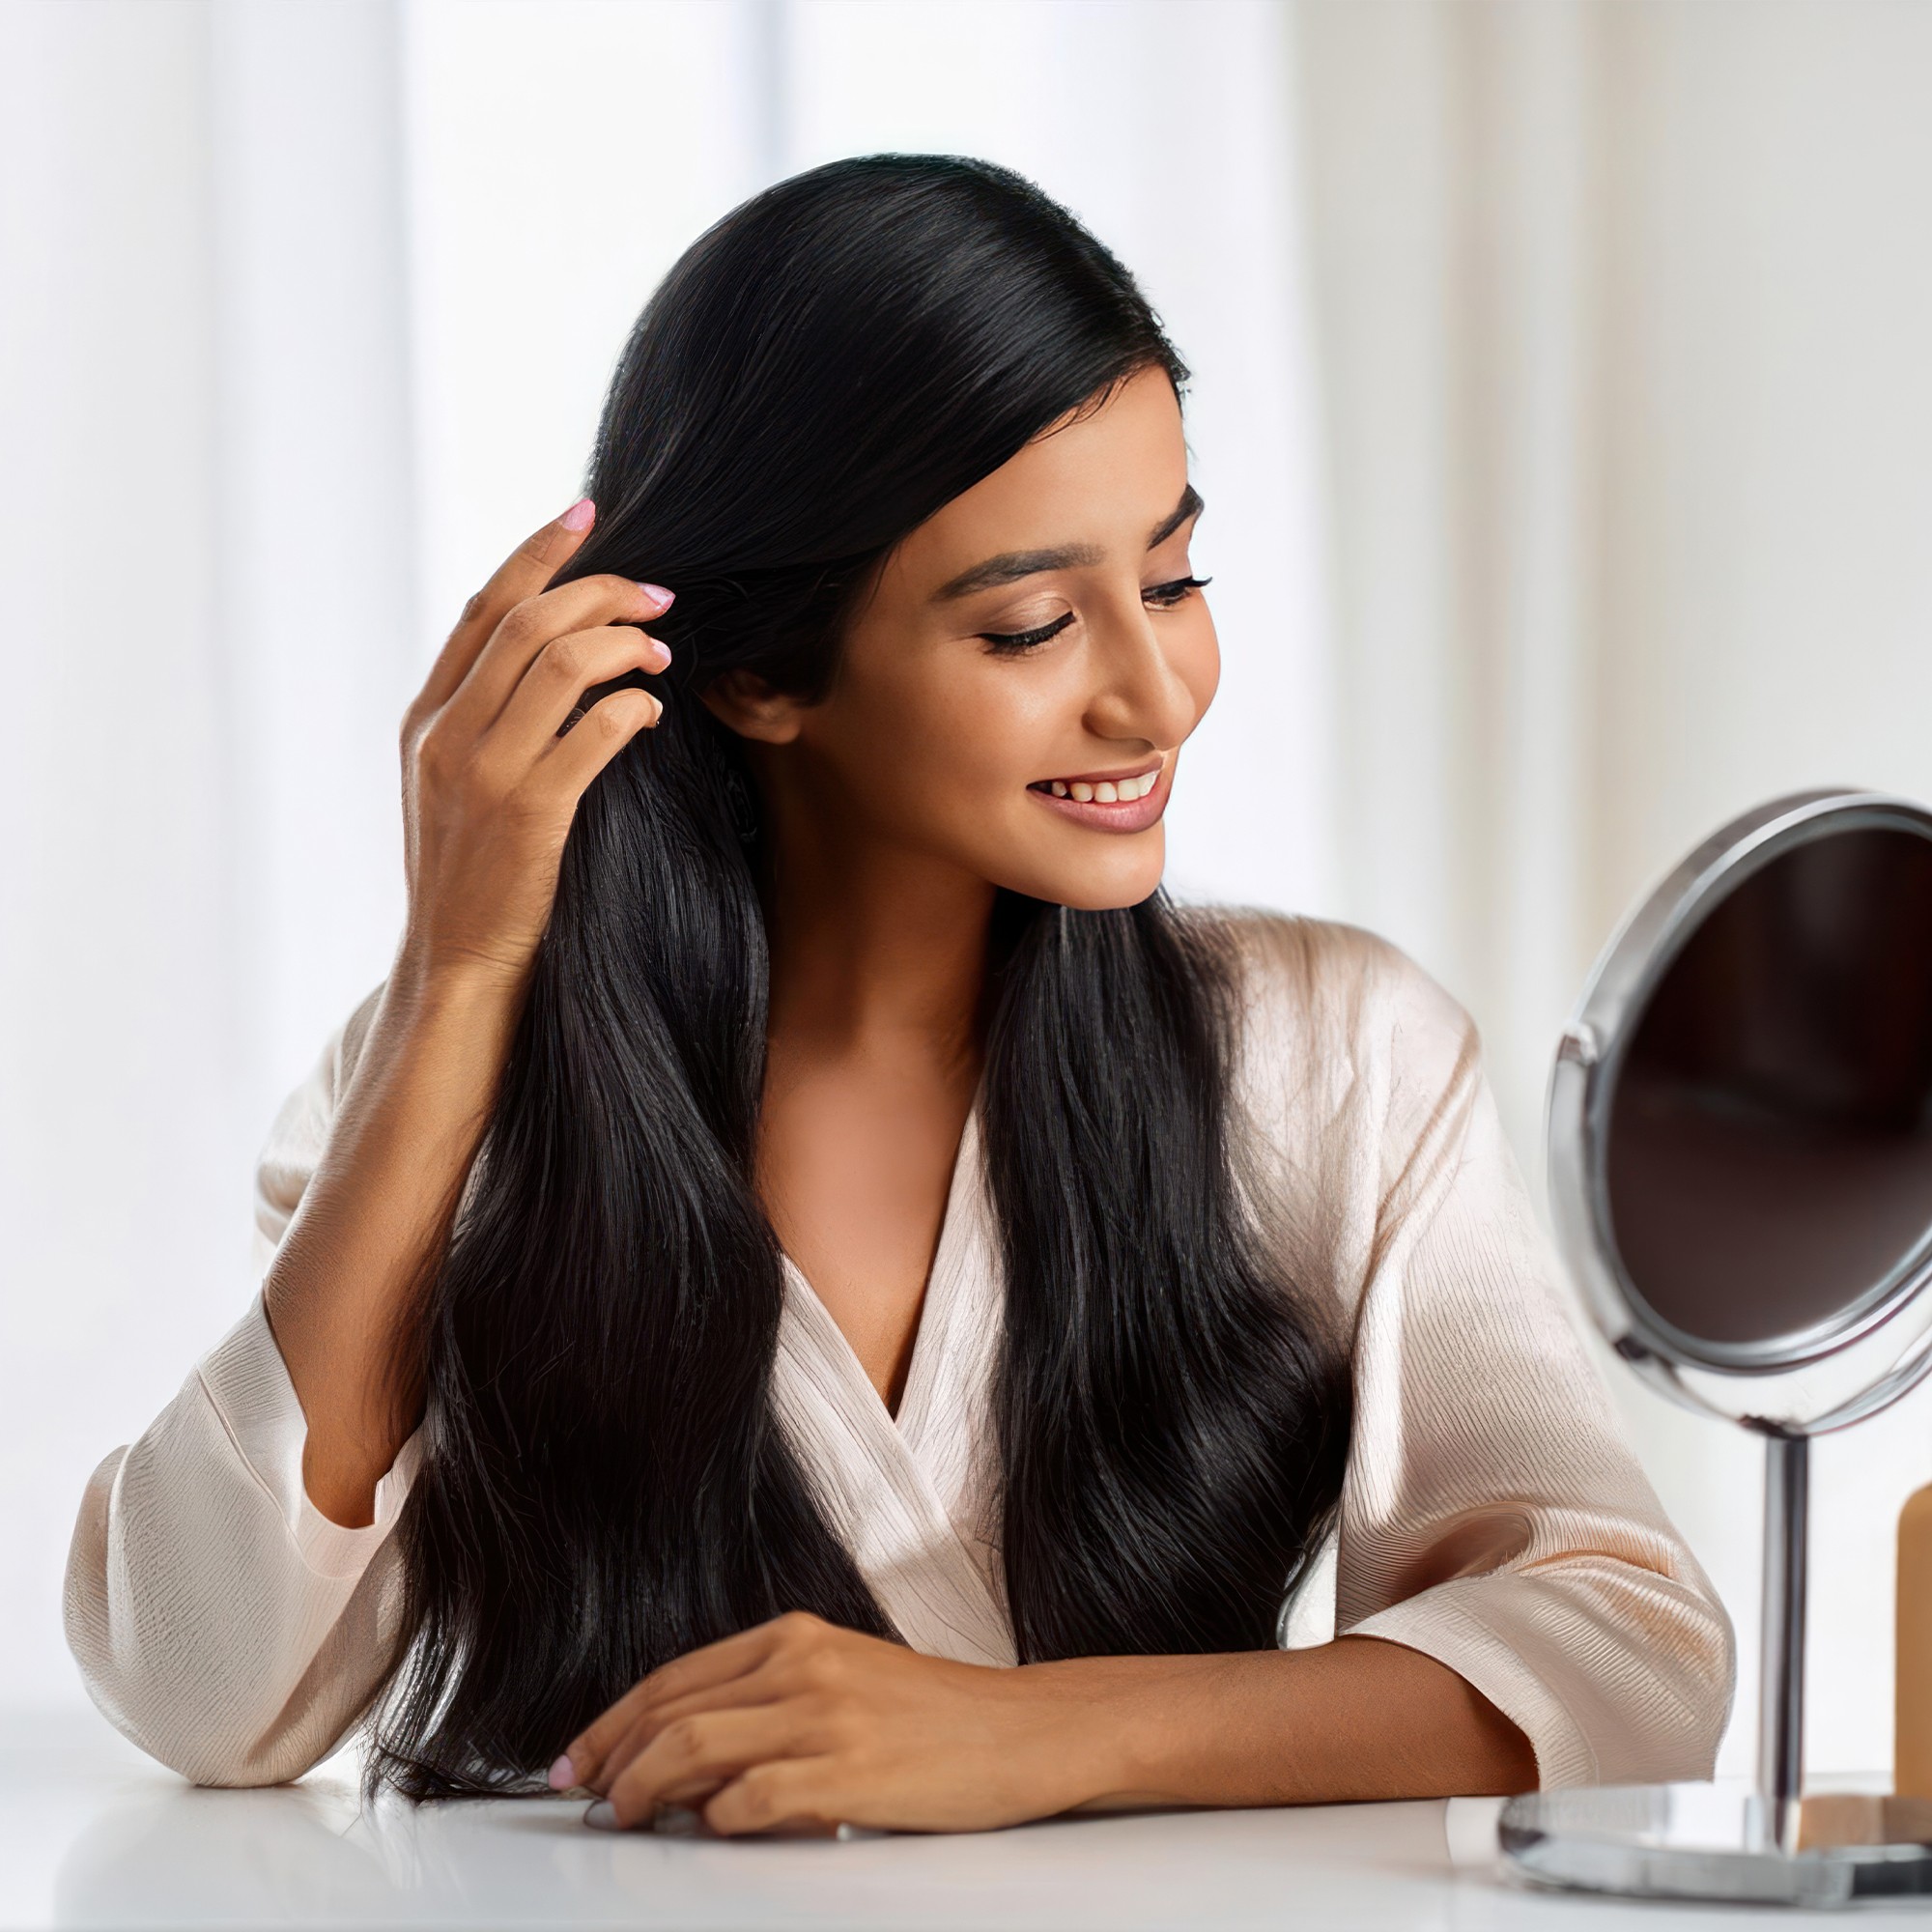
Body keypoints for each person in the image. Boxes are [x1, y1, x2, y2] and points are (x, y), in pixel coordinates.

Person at [66, 155, 1732, 1835]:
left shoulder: (1330, 1059)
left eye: (1173, 579)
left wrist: (1045, 1738)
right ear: (758, 671)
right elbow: (206, 1691)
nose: (1158, 696)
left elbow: (1627, 1651)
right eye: (1030, 628)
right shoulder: (458, 1080)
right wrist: (456, 977)